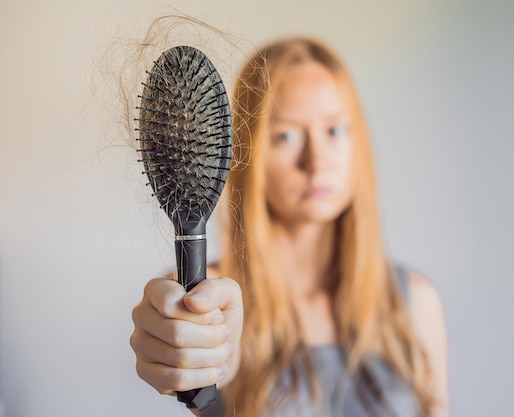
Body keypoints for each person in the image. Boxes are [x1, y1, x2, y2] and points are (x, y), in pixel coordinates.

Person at [130, 36, 450, 417]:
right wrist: (189, 358)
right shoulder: (206, 300)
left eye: (334, 130)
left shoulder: (414, 302)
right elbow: (191, 364)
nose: (316, 161)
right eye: (286, 135)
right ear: (247, 153)